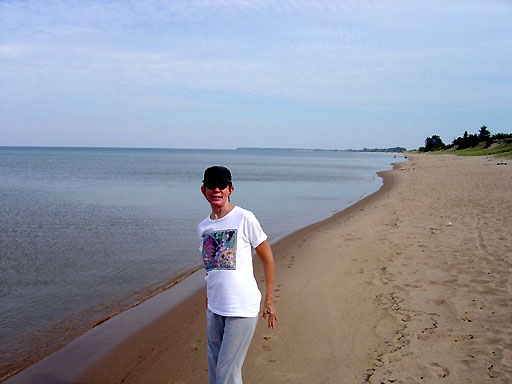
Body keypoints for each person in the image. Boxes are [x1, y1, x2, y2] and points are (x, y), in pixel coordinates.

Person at [197, 165, 278, 384]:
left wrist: (269, 299)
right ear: (203, 190)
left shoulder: (244, 218)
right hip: (215, 308)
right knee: (215, 369)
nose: (217, 190)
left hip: (241, 307)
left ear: (230, 189)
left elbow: (267, 258)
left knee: (226, 372)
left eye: (221, 185)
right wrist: (209, 300)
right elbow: (211, 268)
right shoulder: (203, 227)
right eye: (211, 185)